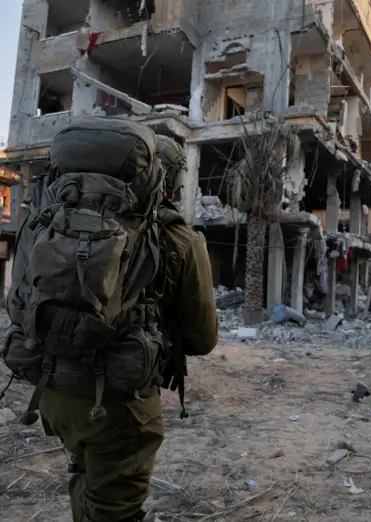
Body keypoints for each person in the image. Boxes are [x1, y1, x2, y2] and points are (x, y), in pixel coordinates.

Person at [4, 119, 218, 522]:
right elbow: (203, 338)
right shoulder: (180, 241)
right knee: (114, 510)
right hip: (121, 407)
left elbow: (17, 304)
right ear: (162, 182)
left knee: (84, 472)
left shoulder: (41, 222)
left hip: (52, 391)